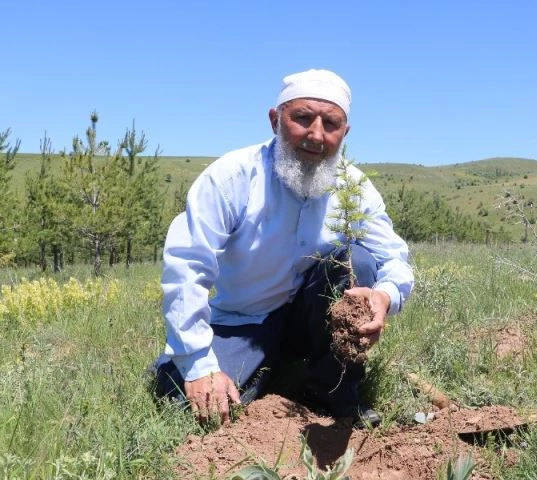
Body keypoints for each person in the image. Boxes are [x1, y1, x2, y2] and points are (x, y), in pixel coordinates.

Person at [153, 68, 413, 428]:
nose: (316, 135)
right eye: (303, 118)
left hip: (314, 321)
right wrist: (198, 365)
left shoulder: (355, 188)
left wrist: (385, 296)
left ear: (345, 132)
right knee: (184, 400)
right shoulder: (232, 177)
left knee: (359, 261)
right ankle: (263, 370)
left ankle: (334, 389)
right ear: (275, 119)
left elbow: (393, 259)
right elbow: (188, 265)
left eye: (331, 123)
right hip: (247, 321)